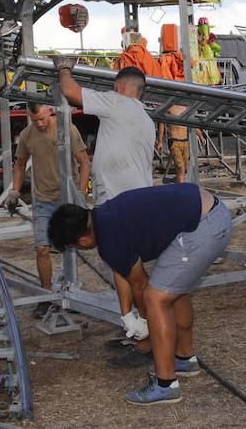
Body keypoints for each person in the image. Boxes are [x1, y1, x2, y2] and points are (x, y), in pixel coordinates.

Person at [48, 183, 233, 406]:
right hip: (211, 213)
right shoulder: (104, 216)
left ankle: (166, 386)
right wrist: (127, 316)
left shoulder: (108, 237)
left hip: (204, 225)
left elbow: (139, 284)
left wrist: (145, 321)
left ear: (82, 241)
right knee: (172, 289)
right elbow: (123, 269)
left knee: (156, 298)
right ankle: (185, 359)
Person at [50, 56, 156, 353]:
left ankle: (147, 337)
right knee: (124, 267)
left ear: (120, 86)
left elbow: (70, 91)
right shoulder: (146, 120)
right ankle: (133, 327)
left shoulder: (117, 103)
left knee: (131, 273)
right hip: (136, 202)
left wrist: (63, 67)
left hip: (119, 204)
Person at [6, 103, 92, 317]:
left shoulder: (67, 129)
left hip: (67, 198)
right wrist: (15, 191)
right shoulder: (27, 134)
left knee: (69, 247)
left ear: (50, 111)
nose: (40, 123)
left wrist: (80, 193)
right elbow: (20, 163)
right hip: (43, 199)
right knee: (42, 248)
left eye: (43, 118)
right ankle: (46, 297)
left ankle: (71, 291)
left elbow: (84, 162)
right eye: (35, 120)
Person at [157, 105, 190, 183]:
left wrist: (201, 136)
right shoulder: (169, 107)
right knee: (180, 167)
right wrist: (160, 142)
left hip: (185, 141)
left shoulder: (186, 108)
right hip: (174, 140)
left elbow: (193, 124)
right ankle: (181, 190)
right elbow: (161, 124)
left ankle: (177, 182)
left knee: (184, 170)